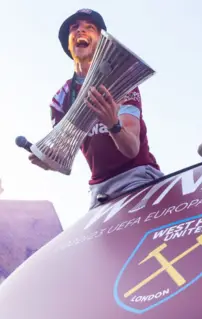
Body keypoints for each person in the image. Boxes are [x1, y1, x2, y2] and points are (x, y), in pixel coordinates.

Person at [28, 9, 162, 209]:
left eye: (90, 27)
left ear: (102, 42)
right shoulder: (61, 99)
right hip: (100, 192)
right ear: (68, 43)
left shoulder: (122, 80)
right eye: (75, 28)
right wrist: (48, 160)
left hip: (138, 179)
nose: (81, 30)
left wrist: (113, 125)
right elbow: (63, 151)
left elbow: (131, 149)